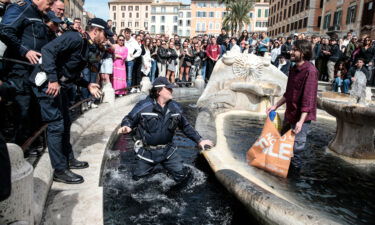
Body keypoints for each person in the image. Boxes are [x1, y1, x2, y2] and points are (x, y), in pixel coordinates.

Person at [30, 18, 110, 184]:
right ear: (96, 31)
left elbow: (70, 72)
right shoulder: (74, 38)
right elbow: (47, 50)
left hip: (58, 85)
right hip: (47, 84)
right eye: (105, 34)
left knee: (66, 122)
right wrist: (53, 79)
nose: (106, 39)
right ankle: (60, 170)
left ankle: (68, 160)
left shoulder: (86, 44)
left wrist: (87, 84)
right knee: (56, 125)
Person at [118, 77, 214, 184]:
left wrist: (200, 140)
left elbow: (186, 126)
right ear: (159, 91)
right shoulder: (144, 106)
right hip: (146, 152)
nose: (171, 90)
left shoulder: (175, 107)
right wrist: (127, 126)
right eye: (168, 88)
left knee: (181, 176)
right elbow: (129, 119)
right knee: (136, 183)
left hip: (168, 151)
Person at [0, 0, 54, 146]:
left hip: (34, 71)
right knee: (22, 110)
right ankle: (18, 149)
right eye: (49, 3)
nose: (50, 7)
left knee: (33, 109)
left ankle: (31, 144)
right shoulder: (21, 7)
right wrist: (25, 51)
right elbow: (5, 30)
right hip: (19, 69)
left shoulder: (39, 13)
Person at [267, 40, 318, 154]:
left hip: (301, 118)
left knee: (295, 152)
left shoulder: (310, 71)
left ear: (303, 53)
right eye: (292, 49)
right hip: (290, 113)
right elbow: (288, 93)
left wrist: (300, 122)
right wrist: (275, 106)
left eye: (295, 50)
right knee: (282, 146)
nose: (291, 52)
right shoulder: (293, 68)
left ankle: (293, 172)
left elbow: (308, 99)